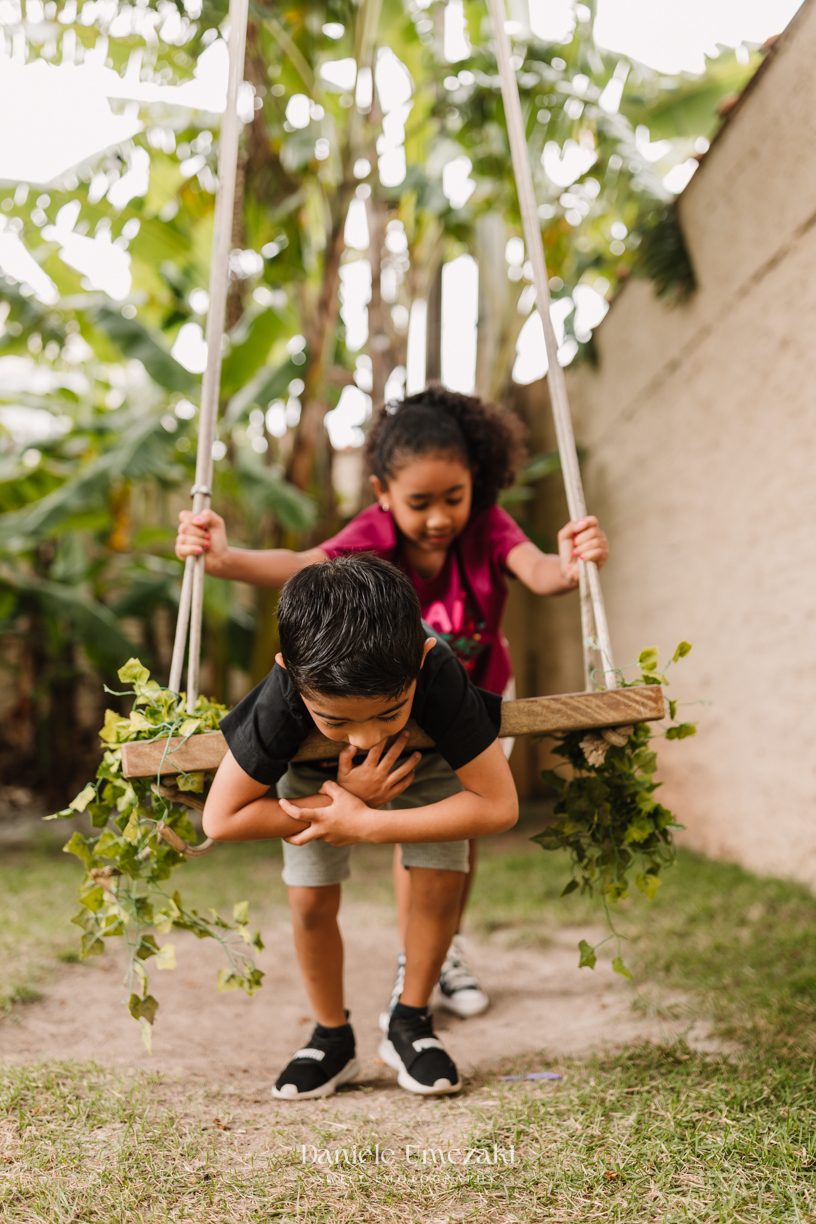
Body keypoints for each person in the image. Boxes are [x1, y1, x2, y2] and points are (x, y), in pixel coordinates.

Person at [177, 384, 609, 1024]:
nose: (440, 516)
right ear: (383, 493)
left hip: (468, 689)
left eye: (454, 497)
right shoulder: (371, 539)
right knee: (421, 822)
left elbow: (541, 572)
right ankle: (422, 956)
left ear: (475, 484)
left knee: (449, 829)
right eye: (420, 502)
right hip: (373, 703)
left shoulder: (488, 524)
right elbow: (302, 566)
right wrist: (226, 559)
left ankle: (436, 952)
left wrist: (573, 564)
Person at [203, 553, 518, 1100]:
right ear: (290, 673)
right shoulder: (281, 697)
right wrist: (346, 802)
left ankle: (411, 1023)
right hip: (315, 783)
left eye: (389, 712)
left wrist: (368, 825)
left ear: (420, 661)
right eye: (336, 720)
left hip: (428, 763)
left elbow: (497, 805)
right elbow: (222, 817)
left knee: (441, 883)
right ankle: (331, 1038)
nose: (366, 738)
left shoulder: (435, 670)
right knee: (309, 901)